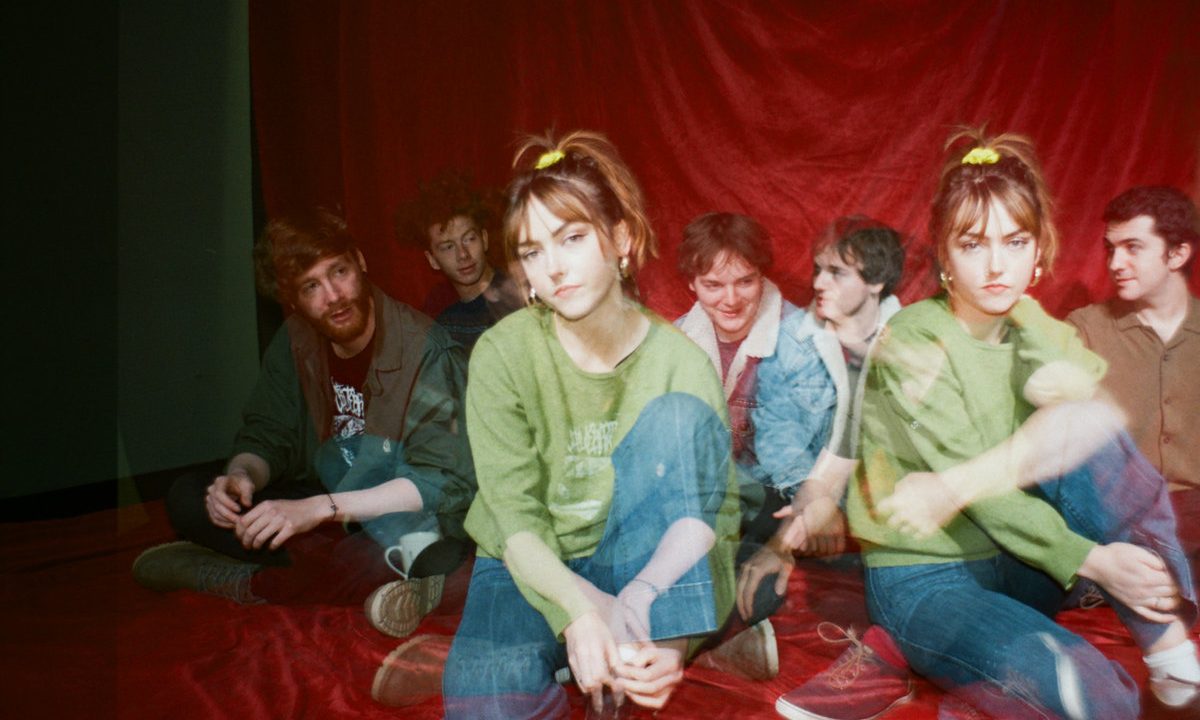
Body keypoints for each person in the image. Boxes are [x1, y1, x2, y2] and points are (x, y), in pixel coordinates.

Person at [778, 130, 1199, 720]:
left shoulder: (1034, 322)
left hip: (1018, 566)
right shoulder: (914, 339)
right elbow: (986, 494)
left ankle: (1166, 642)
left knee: (1084, 424)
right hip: (925, 577)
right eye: (973, 244)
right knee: (1093, 695)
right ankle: (913, 648)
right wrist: (1094, 561)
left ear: (1038, 249)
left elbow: (1094, 437)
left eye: (1015, 241)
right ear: (945, 257)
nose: (997, 266)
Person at [438, 131, 739, 718]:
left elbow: (714, 518)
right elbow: (514, 515)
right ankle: (565, 654)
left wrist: (674, 640)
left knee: (677, 417)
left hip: (640, 558)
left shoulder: (682, 363)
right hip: (527, 558)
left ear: (621, 239)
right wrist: (578, 610)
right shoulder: (501, 353)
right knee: (486, 707)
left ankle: (637, 650)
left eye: (572, 238)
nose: (553, 268)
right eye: (532, 251)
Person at [133, 207, 475, 639]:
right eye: (312, 286)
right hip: (328, 509)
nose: (333, 296)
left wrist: (317, 511)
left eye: (339, 272)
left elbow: (439, 482)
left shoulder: (426, 350)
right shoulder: (295, 339)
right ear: (294, 300)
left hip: (397, 516)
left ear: (360, 262)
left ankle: (237, 580)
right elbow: (268, 433)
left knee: (445, 562)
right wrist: (241, 476)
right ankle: (359, 577)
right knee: (189, 497)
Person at [674, 214, 905, 642]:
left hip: (779, 498)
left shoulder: (803, 341)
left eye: (745, 282)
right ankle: (711, 632)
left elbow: (798, 456)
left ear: (762, 276)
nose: (730, 299)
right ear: (692, 284)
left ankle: (707, 626)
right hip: (713, 502)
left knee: (759, 587)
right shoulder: (673, 343)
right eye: (713, 285)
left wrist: (800, 524)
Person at [1066, 186, 1199, 555]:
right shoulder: (1085, 330)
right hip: (1118, 520)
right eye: (1111, 249)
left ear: (1178, 254)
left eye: (1132, 248)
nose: (1115, 263)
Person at [396, 171, 525, 352]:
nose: (463, 254)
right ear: (432, 260)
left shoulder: (521, 294)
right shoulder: (442, 326)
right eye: (448, 247)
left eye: (469, 239)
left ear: (484, 239)